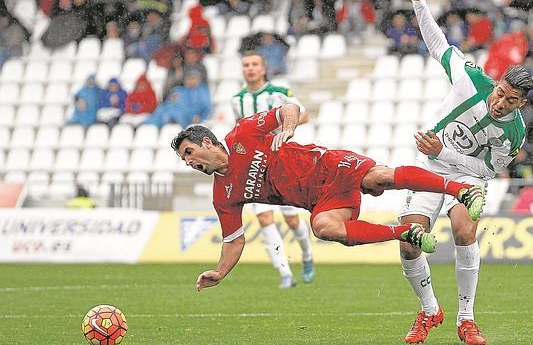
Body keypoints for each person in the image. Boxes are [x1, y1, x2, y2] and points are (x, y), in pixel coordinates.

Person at [170, 103, 486, 293]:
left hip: (330, 165)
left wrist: (289, 126)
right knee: (324, 228)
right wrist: (220, 272)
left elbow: (288, 109)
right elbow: (234, 240)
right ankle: (404, 233)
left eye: (189, 152)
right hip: (321, 200)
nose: (188, 161)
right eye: (184, 159)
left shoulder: (241, 135)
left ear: (208, 142)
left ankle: (461, 190)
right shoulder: (223, 196)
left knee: (381, 177)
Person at [398, 0, 533, 344]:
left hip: (465, 174)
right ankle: (429, 310)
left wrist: (447, 152)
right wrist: (419, 4)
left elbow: (487, 170)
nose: (500, 103)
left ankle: (466, 319)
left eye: (510, 101)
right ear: (498, 82)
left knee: (463, 230)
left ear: (522, 103)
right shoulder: (470, 79)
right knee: (410, 241)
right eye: (501, 93)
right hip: (429, 165)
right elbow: (437, 43)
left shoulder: (514, 133)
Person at [230, 51, 312, 289]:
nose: (250, 68)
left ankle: (307, 256)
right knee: (264, 217)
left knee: (293, 221)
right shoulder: (237, 99)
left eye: (255, 64)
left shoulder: (280, 93)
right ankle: (284, 272)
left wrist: (279, 127)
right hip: (255, 165)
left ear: (263, 68)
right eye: (246, 65)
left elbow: (304, 115)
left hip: (282, 162)